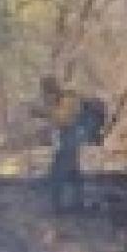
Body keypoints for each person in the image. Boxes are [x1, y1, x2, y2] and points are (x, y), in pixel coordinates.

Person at [32, 76, 85, 211]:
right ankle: (77, 202)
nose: (45, 96)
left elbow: (64, 120)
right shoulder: (62, 100)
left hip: (71, 136)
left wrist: (44, 113)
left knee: (58, 170)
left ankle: (58, 206)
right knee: (72, 171)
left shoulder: (67, 100)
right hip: (69, 136)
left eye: (46, 92)